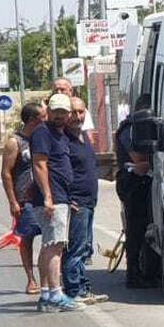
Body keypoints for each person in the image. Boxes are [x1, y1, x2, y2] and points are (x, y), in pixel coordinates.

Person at [28, 93, 83, 312]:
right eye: (56, 112)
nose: (60, 116)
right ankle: (56, 294)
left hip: (60, 197)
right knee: (55, 246)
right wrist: (49, 197)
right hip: (51, 199)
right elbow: (40, 165)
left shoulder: (59, 133)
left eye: (64, 112)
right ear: (48, 112)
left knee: (50, 245)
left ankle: (46, 294)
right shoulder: (43, 133)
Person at [61, 96, 107, 305]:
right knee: (75, 248)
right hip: (76, 202)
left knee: (84, 248)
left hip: (89, 201)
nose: (77, 116)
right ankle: (73, 291)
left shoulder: (83, 137)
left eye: (81, 112)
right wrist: (67, 199)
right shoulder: (63, 140)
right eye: (73, 112)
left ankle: (82, 287)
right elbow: (58, 172)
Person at [0, 102, 45, 294]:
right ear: (33, 120)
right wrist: (13, 202)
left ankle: (48, 278)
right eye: (43, 117)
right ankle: (30, 279)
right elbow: (6, 173)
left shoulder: (42, 139)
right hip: (25, 199)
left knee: (51, 239)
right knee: (27, 239)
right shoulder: (15, 142)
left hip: (44, 197)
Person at [113, 110, 156, 288]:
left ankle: (143, 271)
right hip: (132, 183)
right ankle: (133, 275)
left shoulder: (132, 127)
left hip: (139, 181)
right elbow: (139, 161)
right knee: (135, 231)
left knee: (142, 229)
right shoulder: (129, 130)